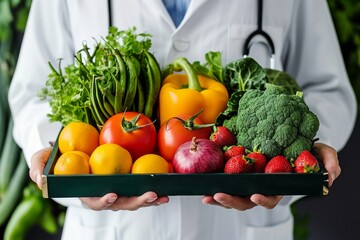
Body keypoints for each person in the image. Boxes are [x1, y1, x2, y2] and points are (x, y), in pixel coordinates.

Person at [8, 0, 357, 239]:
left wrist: (296, 156)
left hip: (245, 228)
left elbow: (327, 88)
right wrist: (57, 158)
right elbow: (34, 91)